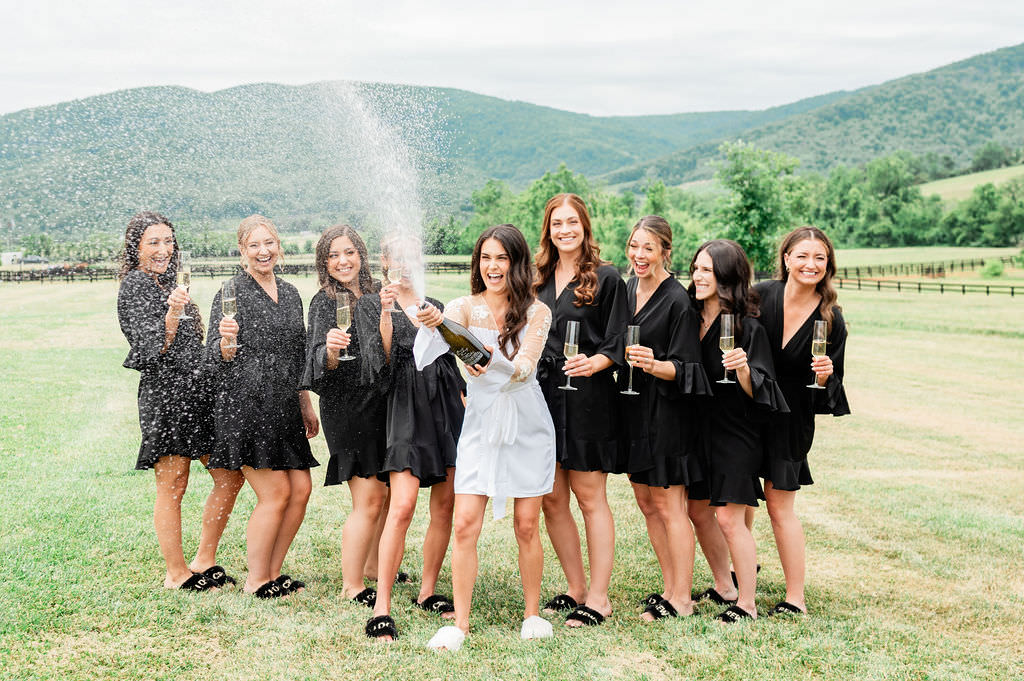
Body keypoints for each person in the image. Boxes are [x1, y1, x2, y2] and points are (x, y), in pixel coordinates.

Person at [423, 224, 555, 651]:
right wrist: (435, 323)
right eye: (485, 257)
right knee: (464, 524)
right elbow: (443, 342)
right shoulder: (462, 307)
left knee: (527, 524)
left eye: (502, 258)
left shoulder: (538, 311)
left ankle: (531, 614)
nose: (492, 266)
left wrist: (481, 359)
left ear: (517, 263)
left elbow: (524, 368)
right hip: (480, 422)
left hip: (526, 420)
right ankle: (460, 623)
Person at [116, 211, 245, 592]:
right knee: (174, 483)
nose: (163, 249)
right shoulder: (136, 286)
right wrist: (174, 311)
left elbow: (193, 344)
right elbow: (151, 347)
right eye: (153, 242)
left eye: (168, 241)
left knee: (229, 475)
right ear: (136, 247)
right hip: (166, 397)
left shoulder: (169, 283)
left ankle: (203, 559)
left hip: (198, 392)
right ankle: (177, 573)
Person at [357, 235, 466, 642]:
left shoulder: (435, 304)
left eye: (411, 254)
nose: (403, 261)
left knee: (445, 505)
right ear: (384, 261)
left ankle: (427, 590)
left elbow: (458, 356)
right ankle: (381, 606)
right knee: (402, 506)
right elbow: (378, 367)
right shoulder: (371, 304)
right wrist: (386, 314)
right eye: (395, 255)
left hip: (446, 408)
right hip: (404, 408)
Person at [205, 214, 320, 599]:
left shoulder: (290, 293)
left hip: (284, 404)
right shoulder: (230, 292)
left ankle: (272, 573)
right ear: (242, 252)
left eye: (268, 242)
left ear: (279, 246)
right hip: (245, 405)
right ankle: (256, 580)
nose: (263, 251)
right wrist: (226, 343)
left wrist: (305, 404)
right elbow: (215, 360)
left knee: (300, 489)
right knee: (275, 494)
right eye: (254, 245)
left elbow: (296, 355)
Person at [534, 193, 629, 628]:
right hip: (541, 397)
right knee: (552, 499)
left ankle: (599, 597)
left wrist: (597, 362)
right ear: (548, 230)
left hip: (589, 396)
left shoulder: (607, 278)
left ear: (585, 227)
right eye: (557, 224)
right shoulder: (535, 278)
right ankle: (574, 587)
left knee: (590, 498)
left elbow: (619, 341)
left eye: (572, 222)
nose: (565, 230)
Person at [685, 239, 787, 623]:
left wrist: (743, 368)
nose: (697, 275)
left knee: (728, 517)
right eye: (695, 268)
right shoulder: (690, 317)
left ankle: (747, 603)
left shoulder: (749, 327)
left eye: (707, 270)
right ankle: (723, 586)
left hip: (735, 431)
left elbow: (761, 389)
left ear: (727, 276)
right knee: (697, 510)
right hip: (697, 428)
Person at [616, 216, 710, 621]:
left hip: (669, 412)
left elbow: (687, 367)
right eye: (634, 246)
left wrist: (654, 364)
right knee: (646, 501)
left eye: (648, 248)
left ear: (665, 252)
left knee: (671, 506)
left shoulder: (678, 301)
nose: (639, 255)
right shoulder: (629, 287)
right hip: (634, 406)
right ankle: (670, 587)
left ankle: (683, 599)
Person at [754, 226, 850, 616]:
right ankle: (737, 573)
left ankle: (795, 597)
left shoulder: (831, 319)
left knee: (779, 507)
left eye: (820, 258)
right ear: (786, 258)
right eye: (803, 256)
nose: (811, 264)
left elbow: (831, 388)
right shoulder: (758, 297)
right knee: (738, 500)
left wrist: (826, 375)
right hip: (745, 411)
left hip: (791, 420)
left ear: (827, 266)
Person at [302, 224, 391, 608]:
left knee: (384, 492)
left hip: (381, 402)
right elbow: (316, 357)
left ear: (361, 255)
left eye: (349, 252)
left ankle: (373, 566)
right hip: (347, 406)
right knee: (368, 496)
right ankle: (352, 584)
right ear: (325, 262)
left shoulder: (374, 294)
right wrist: (332, 349)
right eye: (334, 255)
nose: (343, 261)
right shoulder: (323, 302)